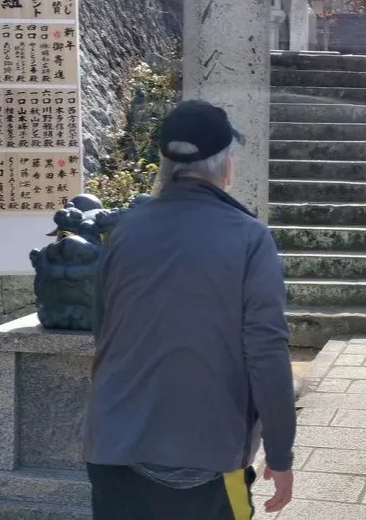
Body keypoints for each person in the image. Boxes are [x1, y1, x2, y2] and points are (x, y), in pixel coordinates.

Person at [83, 99, 297, 519]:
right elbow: (267, 352)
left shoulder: (125, 231)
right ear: (226, 164)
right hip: (210, 455)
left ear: (164, 163)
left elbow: (102, 331)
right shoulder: (250, 238)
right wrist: (281, 452)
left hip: (113, 449)